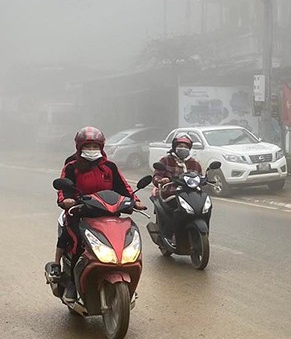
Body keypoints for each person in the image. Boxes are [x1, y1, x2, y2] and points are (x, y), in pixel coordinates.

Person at [50, 127, 145, 304]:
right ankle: (70, 280)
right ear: (80, 147)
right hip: (80, 213)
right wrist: (67, 201)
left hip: (108, 213)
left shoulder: (110, 167)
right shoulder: (72, 167)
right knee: (77, 241)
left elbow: (124, 188)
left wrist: (135, 201)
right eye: (88, 146)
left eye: (95, 146)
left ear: (101, 147)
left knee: (126, 239)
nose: (92, 150)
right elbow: (63, 190)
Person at [152, 135, 203, 242]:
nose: (183, 148)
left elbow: (200, 178)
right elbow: (156, 177)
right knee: (177, 210)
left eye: (185, 146)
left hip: (191, 195)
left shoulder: (195, 164)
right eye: (180, 146)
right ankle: (173, 234)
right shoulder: (166, 161)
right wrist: (162, 180)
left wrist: (205, 180)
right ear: (175, 147)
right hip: (171, 193)